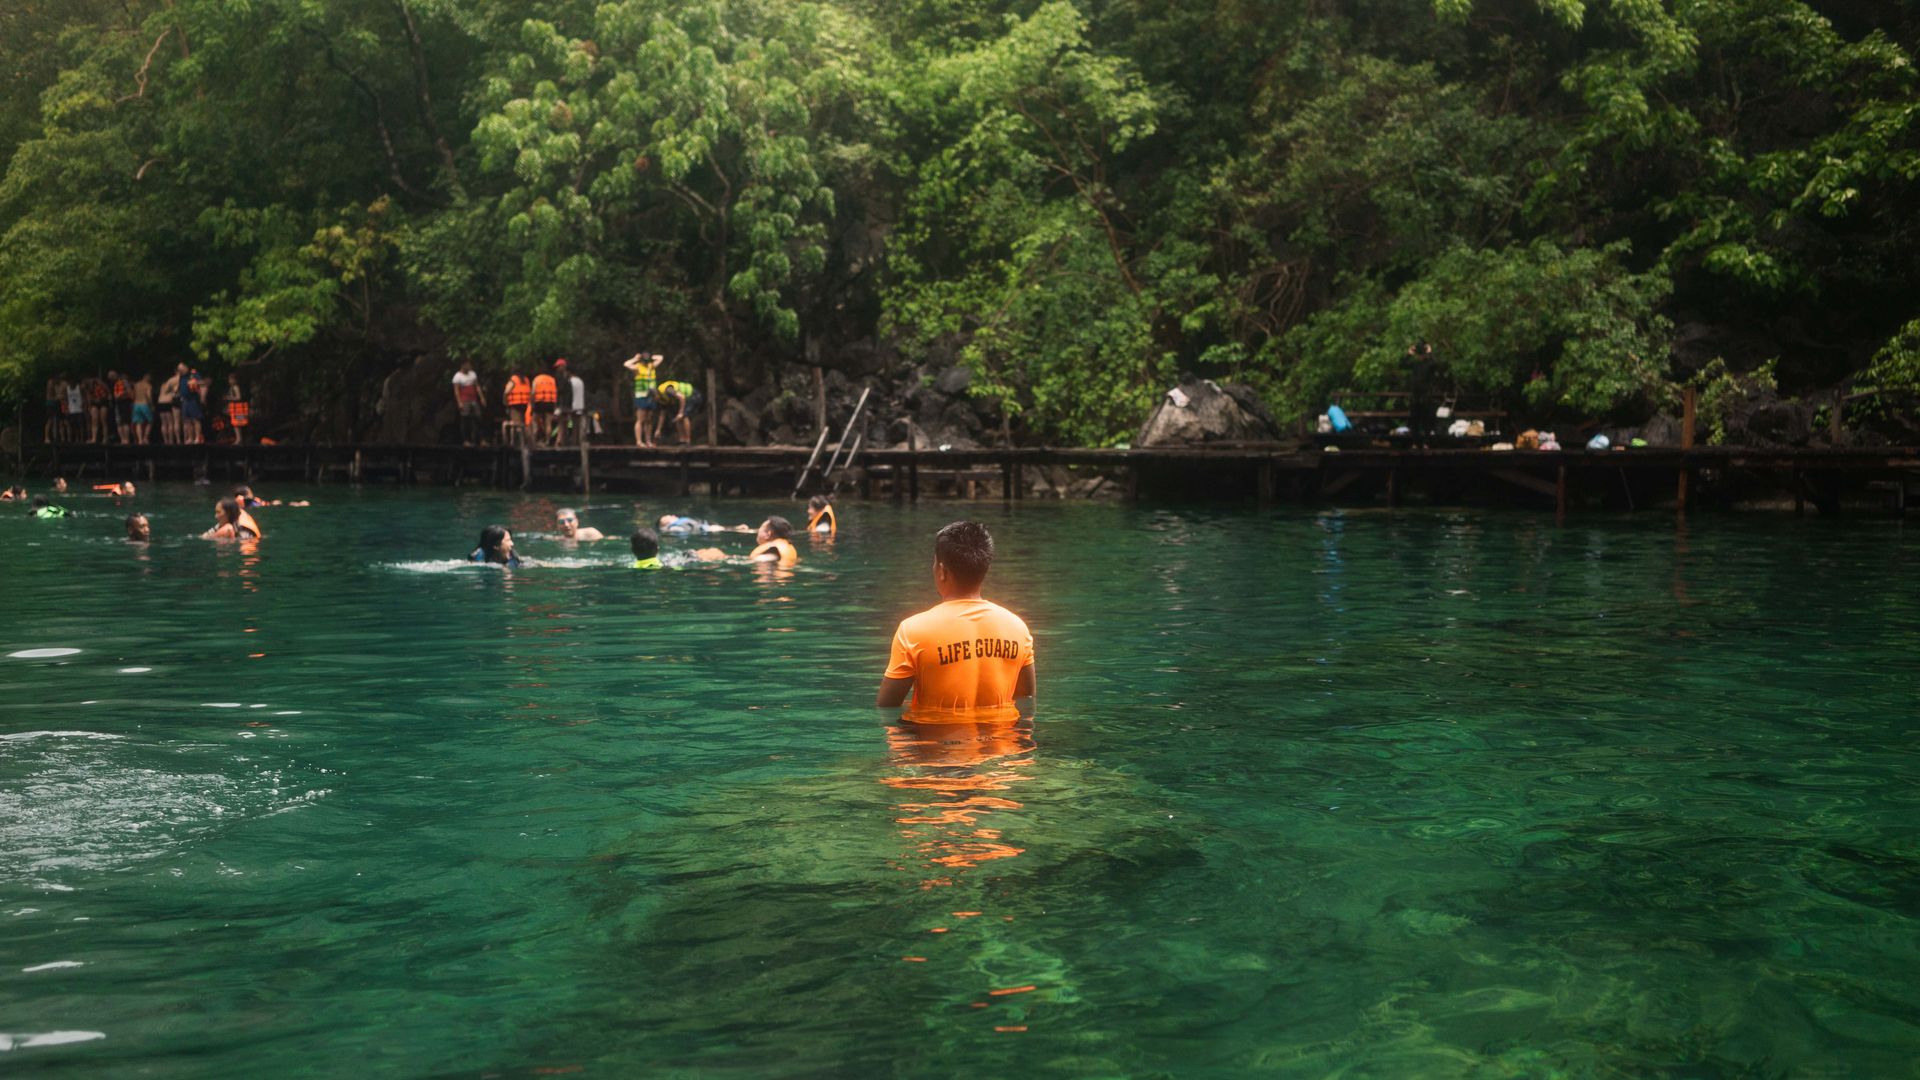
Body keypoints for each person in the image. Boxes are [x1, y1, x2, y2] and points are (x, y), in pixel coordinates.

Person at [876, 521, 1035, 713]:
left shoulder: (913, 630)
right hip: (1004, 743)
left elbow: (887, 710)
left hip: (936, 742)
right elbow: (1026, 702)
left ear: (942, 571)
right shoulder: (1018, 628)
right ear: (984, 568)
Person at [623, 351, 662, 446]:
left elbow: (660, 357)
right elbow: (626, 364)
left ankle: (648, 441)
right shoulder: (638, 367)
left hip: (651, 396)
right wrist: (635, 358)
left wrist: (651, 356)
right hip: (641, 395)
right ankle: (639, 441)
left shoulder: (651, 366)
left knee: (649, 419)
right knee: (641, 419)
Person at [452, 360, 485, 446]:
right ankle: (466, 440)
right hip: (464, 399)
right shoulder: (457, 376)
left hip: (473, 399)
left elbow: (477, 386)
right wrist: (459, 402)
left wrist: (481, 397)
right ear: (463, 365)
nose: (469, 366)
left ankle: (481, 439)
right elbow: (456, 391)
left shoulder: (472, 374)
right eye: (467, 364)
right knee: (465, 419)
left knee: (478, 418)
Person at [656, 378, 698, 446]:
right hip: (683, 399)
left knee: (684, 416)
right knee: (677, 418)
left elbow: (682, 397)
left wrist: (681, 412)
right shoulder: (662, 399)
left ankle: (687, 440)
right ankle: (682, 440)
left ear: (657, 394)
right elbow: (662, 415)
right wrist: (658, 429)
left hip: (691, 394)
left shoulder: (668, 390)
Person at [530, 366, 560, 444]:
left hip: (539, 402)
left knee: (535, 421)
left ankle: (534, 440)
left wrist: (532, 403)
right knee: (548, 423)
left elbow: (533, 392)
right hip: (550, 403)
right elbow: (556, 392)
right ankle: (547, 441)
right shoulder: (552, 379)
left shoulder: (537, 379)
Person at [562, 360, 588, 444]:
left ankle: (569, 442)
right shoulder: (580, 381)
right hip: (580, 407)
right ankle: (577, 442)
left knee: (569, 425)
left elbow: (569, 395)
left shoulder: (570, 382)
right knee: (577, 426)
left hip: (572, 408)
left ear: (568, 372)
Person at [503, 372, 531, 445]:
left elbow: (506, 392)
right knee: (522, 424)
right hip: (524, 404)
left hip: (514, 404)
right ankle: (522, 442)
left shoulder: (513, 379)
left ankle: (514, 442)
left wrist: (505, 402)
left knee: (515, 424)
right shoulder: (526, 380)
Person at [656, 514, 751, 535]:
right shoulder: (673, 528)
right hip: (704, 530)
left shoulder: (678, 523)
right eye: (668, 516)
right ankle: (736, 528)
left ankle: (736, 528)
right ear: (665, 523)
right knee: (717, 528)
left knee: (717, 528)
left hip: (705, 528)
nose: (672, 515)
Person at [158, 364, 182, 444]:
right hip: (169, 402)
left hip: (160, 402)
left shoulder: (166, 383)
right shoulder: (180, 379)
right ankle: (173, 440)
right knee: (171, 423)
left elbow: (164, 391)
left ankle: (166, 441)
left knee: (164, 423)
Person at [180, 369, 205, 445]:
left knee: (195, 420)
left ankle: (197, 437)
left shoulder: (194, 375)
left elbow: (202, 384)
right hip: (185, 401)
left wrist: (202, 398)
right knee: (187, 421)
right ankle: (190, 438)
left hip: (193, 401)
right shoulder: (182, 378)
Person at [83, 372, 110, 444]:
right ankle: (94, 438)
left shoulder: (99, 382)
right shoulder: (87, 386)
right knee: (94, 420)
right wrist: (89, 406)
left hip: (103, 401)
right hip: (94, 402)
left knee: (103, 420)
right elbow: (88, 396)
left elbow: (107, 391)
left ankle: (105, 438)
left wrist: (105, 398)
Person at [131, 372, 155, 445]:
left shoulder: (136, 385)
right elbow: (149, 395)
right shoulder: (148, 385)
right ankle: (145, 438)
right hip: (144, 404)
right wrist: (151, 405)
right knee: (150, 421)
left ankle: (140, 440)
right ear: (147, 377)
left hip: (136, 404)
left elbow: (133, 395)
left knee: (139, 423)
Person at [110, 370, 133, 444]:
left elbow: (129, 392)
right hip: (119, 403)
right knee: (119, 422)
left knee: (124, 422)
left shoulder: (123, 382)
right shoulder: (116, 383)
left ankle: (126, 439)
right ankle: (123, 439)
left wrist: (123, 395)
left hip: (124, 403)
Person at [225, 377, 249, 444]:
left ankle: (239, 439)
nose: (229, 381)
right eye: (229, 379)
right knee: (235, 423)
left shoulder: (235, 387)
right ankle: (238, 438)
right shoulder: (231, 387)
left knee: (237, 423)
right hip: (234, 408)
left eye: (231, 379)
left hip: (238, 408)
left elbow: (238, 397)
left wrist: (229, 397)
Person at [63, 375, 85, 444]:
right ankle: (76, 438)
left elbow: (84, 397)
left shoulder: (79, 388)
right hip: (71, 409)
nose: (71, 383)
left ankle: (82, 438)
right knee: (74, 425)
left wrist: (84, 405)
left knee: (80, 425)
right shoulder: (67, 389)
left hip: (79, 409)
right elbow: (66, 399)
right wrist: (66, 408)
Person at [44, 375, 65, 444]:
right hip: (50, 403)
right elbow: (51, 395)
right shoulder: (50, 382)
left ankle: (60, 438)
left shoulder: (56, 383)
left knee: (58, 420)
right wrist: (58, 397)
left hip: (56, 403)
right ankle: (46, 438)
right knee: (50, 420)